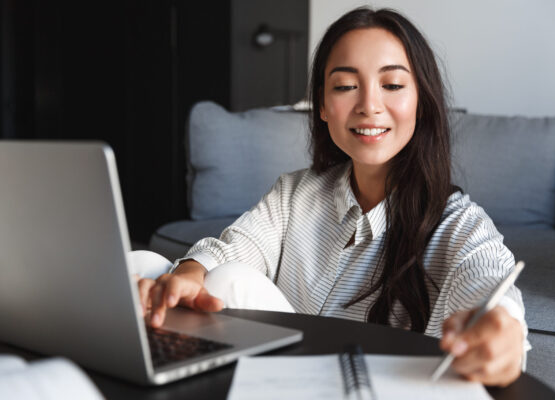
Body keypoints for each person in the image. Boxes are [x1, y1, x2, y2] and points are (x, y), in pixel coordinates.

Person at [137, 7, 530, 387]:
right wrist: (187, 272)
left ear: (422, 103)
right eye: (345, 87)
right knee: (141, 266)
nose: (369, 106)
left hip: (377, 387)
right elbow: (237, 246)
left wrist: (502, 330)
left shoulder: (457, 222)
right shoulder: (294, 193)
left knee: (226, 282)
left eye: (392, 85)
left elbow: (487, 280)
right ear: (323, 106)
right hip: (277, 379)